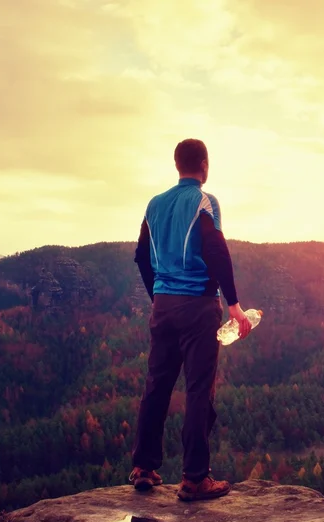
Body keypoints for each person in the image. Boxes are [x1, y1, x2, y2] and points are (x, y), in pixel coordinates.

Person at [129, 138, 251, 501]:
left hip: (163, 306)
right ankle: (195, 478)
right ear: (204, 165)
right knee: (199, 389)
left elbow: (141, 256)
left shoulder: (154, 204)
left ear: (177, 165)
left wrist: (159, 296)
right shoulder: (204, 201)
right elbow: (214, 248)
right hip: (199, 306)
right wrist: (234, 305)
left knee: (157, 384)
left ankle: (144, 468)